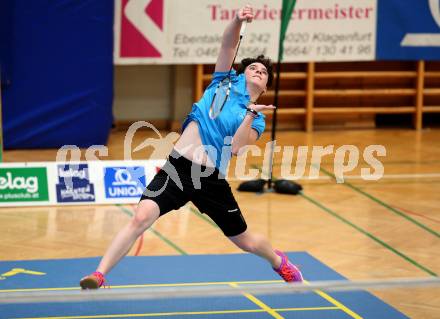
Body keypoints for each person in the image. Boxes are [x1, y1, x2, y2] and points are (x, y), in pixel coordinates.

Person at [80, 4, 303, 289]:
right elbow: (228, 44)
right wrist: (237, 19)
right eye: (252, 67)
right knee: (141, 216)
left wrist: (249, 113)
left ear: (267, 85)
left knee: (245, 241)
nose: (258, 71)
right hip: (177, 168)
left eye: (263, 72)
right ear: (241, 73)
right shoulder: (222, 82)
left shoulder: (256, 119)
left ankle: (278, 261)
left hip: (210, 180)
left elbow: (235, 148)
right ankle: (99, 274)